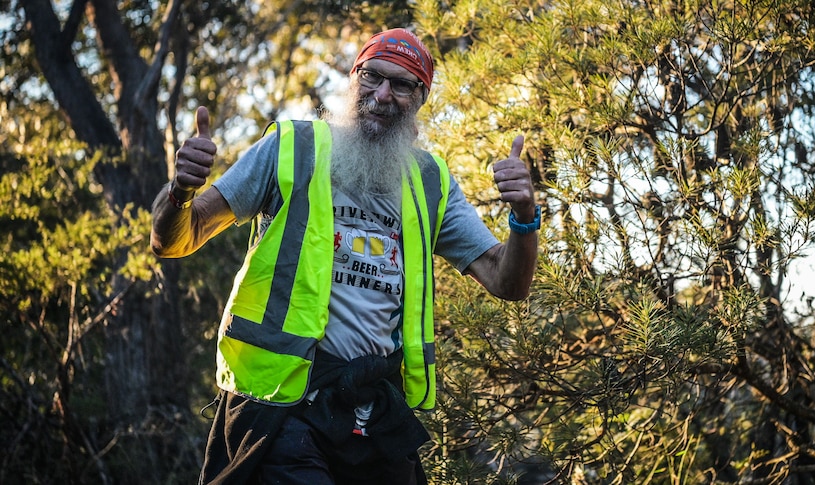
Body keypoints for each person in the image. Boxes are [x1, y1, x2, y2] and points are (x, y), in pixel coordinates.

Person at [150, 28, 539, 485]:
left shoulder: (430, 181)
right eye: (373, 76)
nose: (383, 94)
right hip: (281, 404)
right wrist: (180, 192)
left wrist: (525, 215)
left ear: (420, 98)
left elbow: (506, 281)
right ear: (353, 77)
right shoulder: (291, 147)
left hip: (373, 407)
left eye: (402, 84)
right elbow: (175, 240)